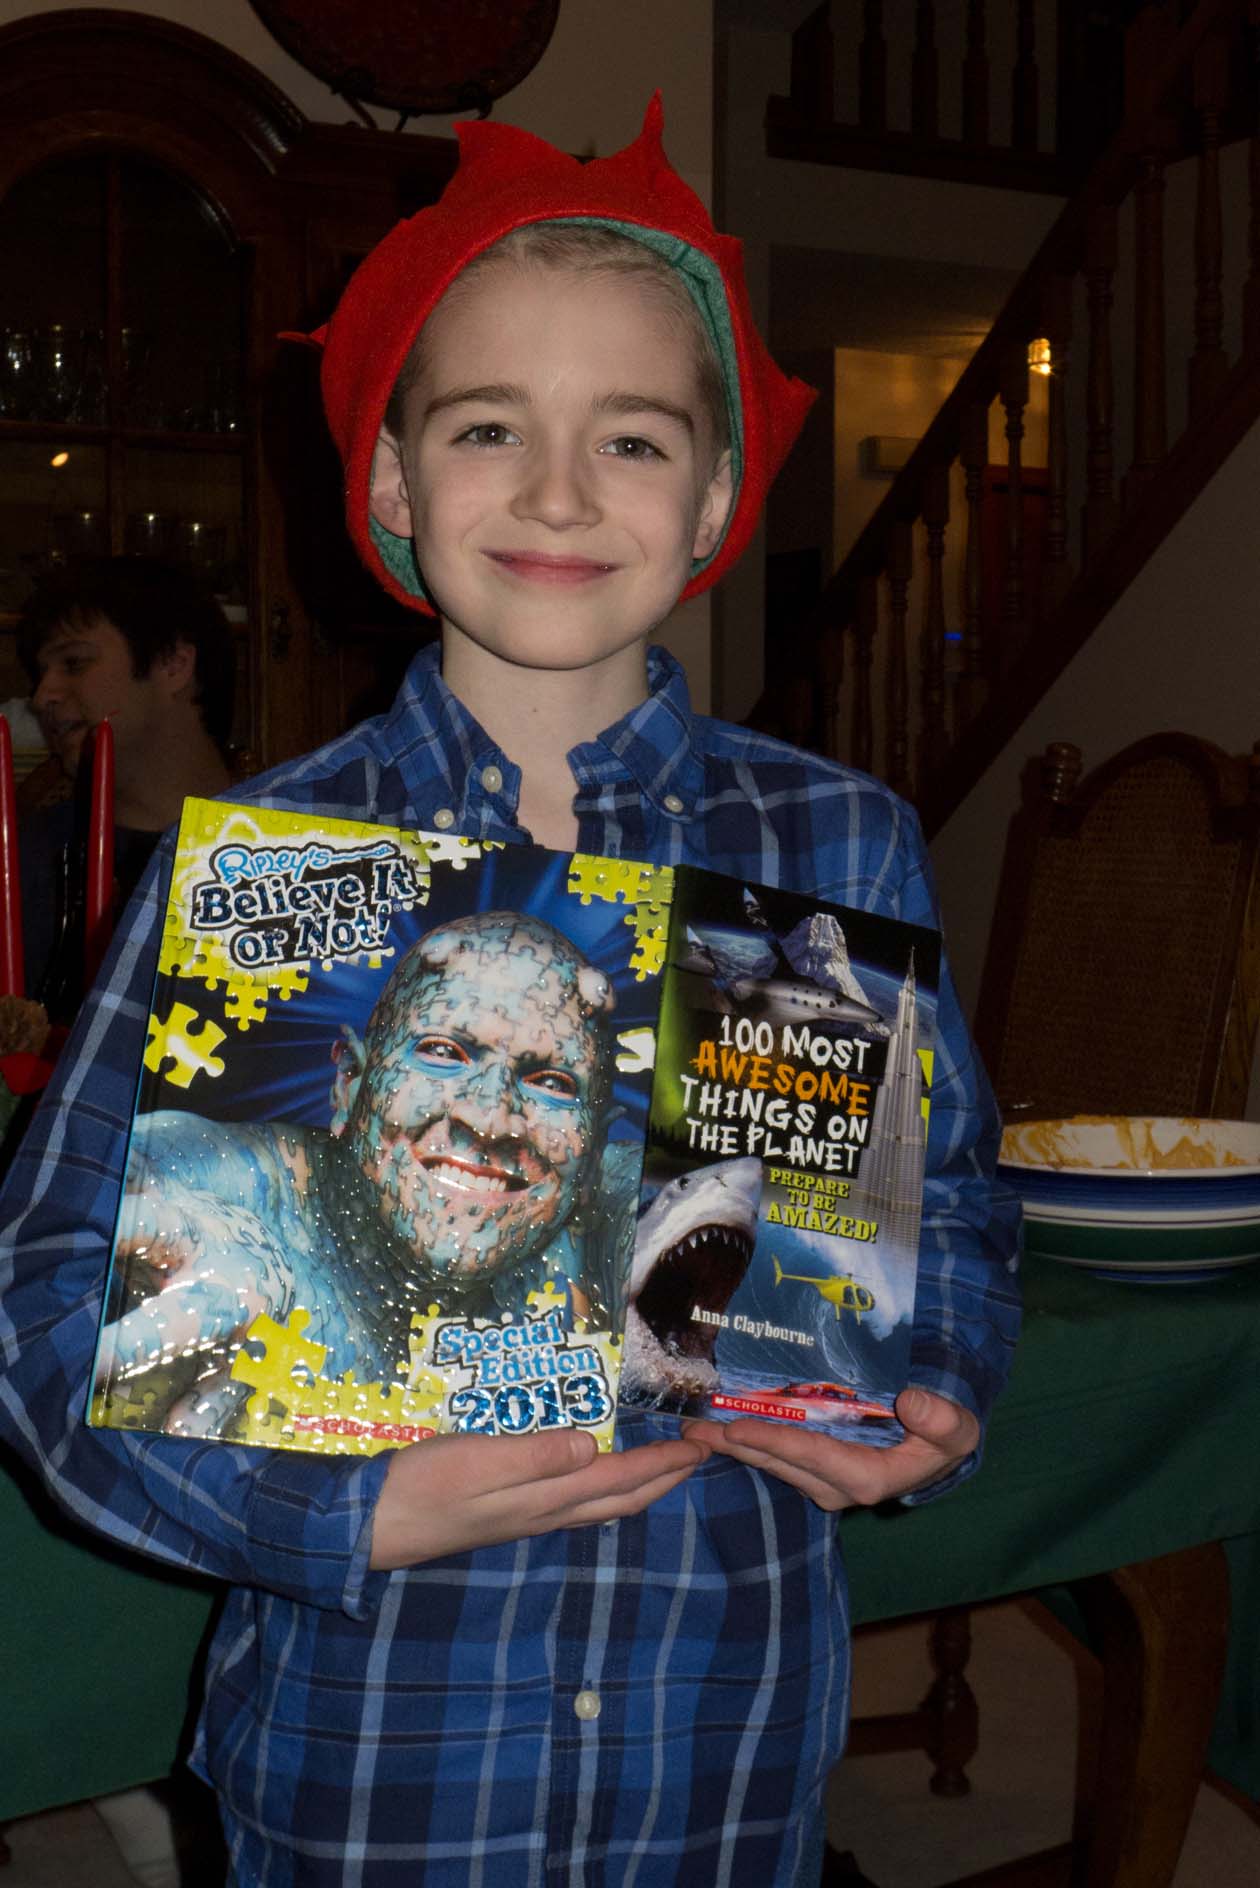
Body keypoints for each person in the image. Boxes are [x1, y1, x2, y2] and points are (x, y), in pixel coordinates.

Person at [0, 100, 1021, 1887]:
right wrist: (337, 1509)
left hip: (720, 1757)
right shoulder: (274, 869)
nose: (558, 491)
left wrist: (927, 1391)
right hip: (368, 1765)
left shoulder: (832, 846)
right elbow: (42, 1307)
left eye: (630, 437)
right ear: (396, 486)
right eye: (489, 428)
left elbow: (954, 1218)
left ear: (714, 497)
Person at [96, 908, 621, 1434]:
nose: (489, 1120)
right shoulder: (218, 1176)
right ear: (350, 1082)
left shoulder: (596, 1245)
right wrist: (229, 1256)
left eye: (551, 1084)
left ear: (594, 1154)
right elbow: (118, 1170)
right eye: (443, 1053)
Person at [16, 556, 235, 1011]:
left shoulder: (288, 847)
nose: (41, 697)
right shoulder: (25, 862)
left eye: (74, 663)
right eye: (40, 674)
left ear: (174, 665)